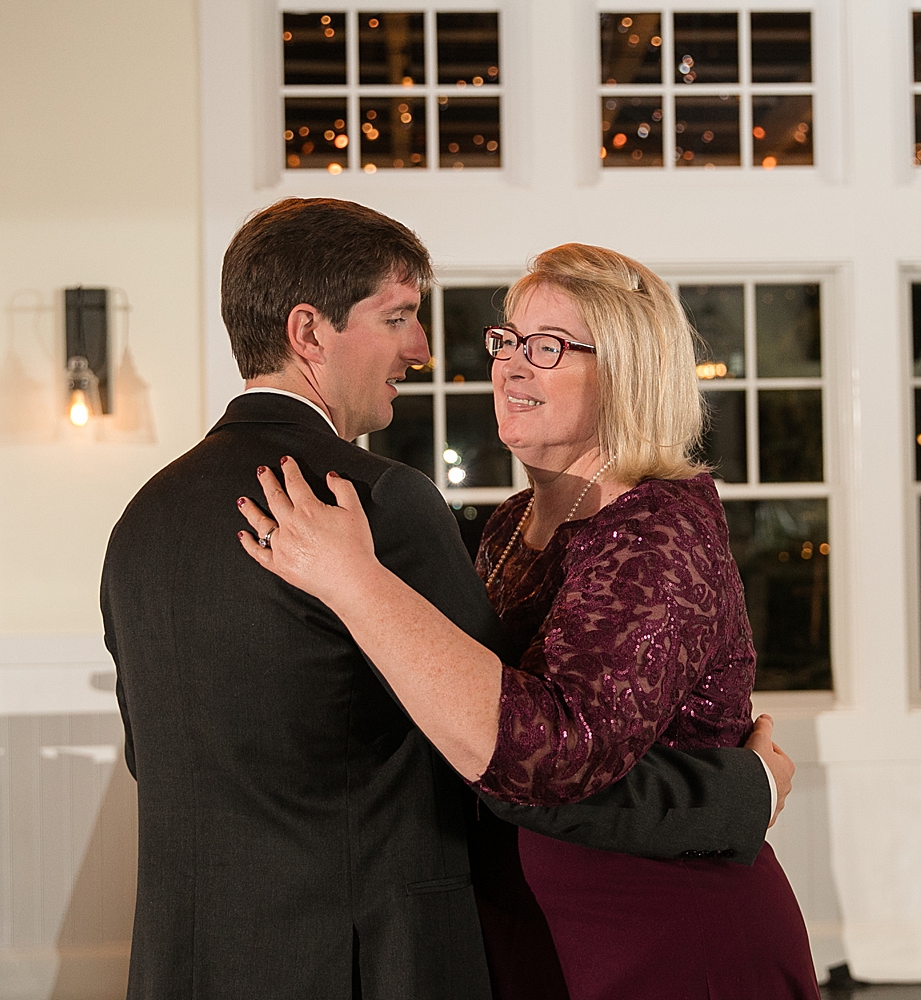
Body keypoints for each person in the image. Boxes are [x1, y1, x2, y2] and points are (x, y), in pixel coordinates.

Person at [102, 199, 791, 999]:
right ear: (307, 332)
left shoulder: (143, 517)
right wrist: (744, 793)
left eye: (546, 346)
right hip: (378, 954)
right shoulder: (404, 508)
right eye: (509, 341)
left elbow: (512, 751)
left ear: (629, 369)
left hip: (648, 936)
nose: (452, 353)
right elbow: (482, 755)